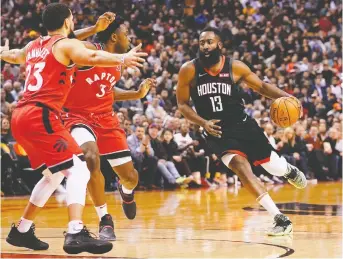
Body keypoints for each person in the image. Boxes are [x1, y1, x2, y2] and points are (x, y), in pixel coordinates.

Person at [0, 3, 147, 254]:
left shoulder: (34, 46)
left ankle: (21, 230)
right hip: (42, 114)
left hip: (21, 116)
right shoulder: (65, 45)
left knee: (54, 175)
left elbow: (13, 55)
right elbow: (90, 56)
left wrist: (2, 53)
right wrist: (123, 57)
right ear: (68, 22)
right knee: (79, 168)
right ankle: (76, 231)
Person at [176, 27, 307, 236]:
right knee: (241, 168)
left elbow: (262, 87)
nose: (205, 46)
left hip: (244, 126)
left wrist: (289, 98)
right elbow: (182, 105)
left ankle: (288, 171)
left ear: (219, 45)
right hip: (218, 132)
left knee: (273, 167)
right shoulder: (188, 70)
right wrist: (202, 122)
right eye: (201, 43)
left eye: (209, 42)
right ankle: (280, 219)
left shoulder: (235, 67)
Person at [62, 19, 156, 240]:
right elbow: (65, 41)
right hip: (77, 116)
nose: (130, 39)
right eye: (126, 34)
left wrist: (136, 94)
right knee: (90, 157)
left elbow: (106, 90)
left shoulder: (116, 62)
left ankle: (127, 191)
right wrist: (95, 29)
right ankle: (105, 219)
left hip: (106, 120)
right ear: (114, 37)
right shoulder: (90, 51)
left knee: (131, 177)